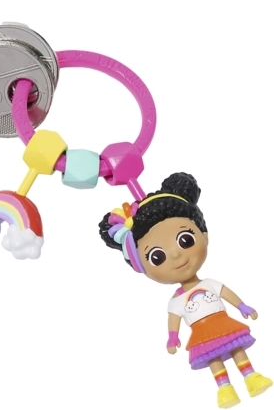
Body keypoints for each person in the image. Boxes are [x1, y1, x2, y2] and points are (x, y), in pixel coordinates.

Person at [99, 172, 272, 409]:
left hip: (223, 323)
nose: (176, 255)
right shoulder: (176, 301)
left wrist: (242, 306)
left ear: (204, 235)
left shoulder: (209, 283)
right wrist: (173, 336)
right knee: (214, 359)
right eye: (157, 257)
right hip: (201, 332)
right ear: (142, 269)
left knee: (237, 348)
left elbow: (226, 293)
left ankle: (251, 377)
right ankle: (225, 388)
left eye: (185, 240)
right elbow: (174, 320)